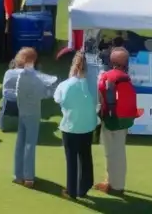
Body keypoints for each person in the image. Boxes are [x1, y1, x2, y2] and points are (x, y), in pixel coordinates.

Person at [3, 47, 55, 188]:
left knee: (20, 142)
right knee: (30, 143)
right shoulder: (37, 76)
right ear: (33, 60)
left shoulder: (10, 73)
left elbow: (7, 93)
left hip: (20, 110)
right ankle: (29, 177)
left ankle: (18, 175)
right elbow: (47, 92)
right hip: (32, 111)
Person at [95, 47, 140, 196]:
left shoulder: (106, 76)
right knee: (119, 152)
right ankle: (116, 183)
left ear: (111, 61)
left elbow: (100, 95)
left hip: (110, 119)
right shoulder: (127, 78)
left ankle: (113, 184)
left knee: (110, 152)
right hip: (125, 120)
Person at [54, 52, 99, 201]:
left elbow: (57, 99)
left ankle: (72, 190)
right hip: (87, 125)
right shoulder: (91, 84)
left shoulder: (65, 84)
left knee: (71, 159)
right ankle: (84, 186)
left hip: (70, 126)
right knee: (86, 156)